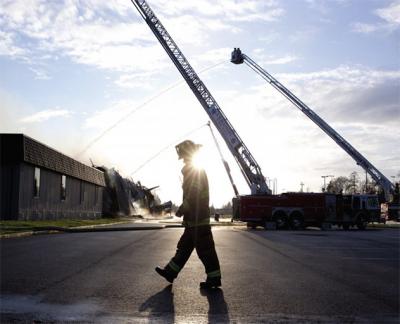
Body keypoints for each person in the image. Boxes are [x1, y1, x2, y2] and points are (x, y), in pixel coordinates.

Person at [155, 140, 221, 289]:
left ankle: (214, 278)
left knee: (205, 250)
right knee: (184, 248)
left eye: (184, 156)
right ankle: (170, 272)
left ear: (187, 155)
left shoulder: (193, 170)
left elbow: (193, 194)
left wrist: (182, 209)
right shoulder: (193, 170)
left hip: (198, 219)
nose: (183, 160)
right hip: (194, 220)